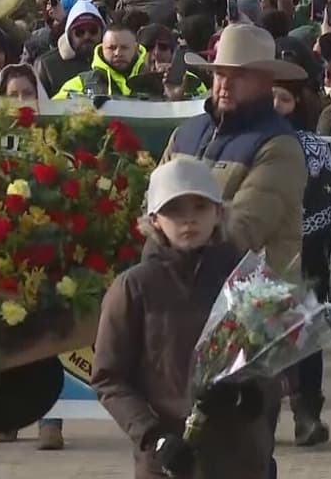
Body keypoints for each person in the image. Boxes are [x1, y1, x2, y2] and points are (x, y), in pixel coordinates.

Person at [93, 157, 276, 479]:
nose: (188, 220)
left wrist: (250, 394)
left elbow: (276, 357)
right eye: (175, 210)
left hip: (240, 456)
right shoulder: (135, 287)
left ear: (219, 213)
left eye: (200, 208)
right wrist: (153, 436)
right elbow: (109, 378)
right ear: (154, 220)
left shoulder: (246, 279)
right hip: (169, 461)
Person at [164, 23, 308, 274]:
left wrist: (167, 243)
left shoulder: (280, 145)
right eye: (219, 73)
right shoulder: (186, 133)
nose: (225, 85)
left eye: (239, 76)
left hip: (256, 304)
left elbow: (242, 230)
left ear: (265, 82)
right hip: (181, 288)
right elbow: (152, 202)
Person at [271, 57, 331, 447]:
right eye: (267, 98)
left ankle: (307, 413)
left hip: (306, 256)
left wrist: (311, 242)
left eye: (282, 100)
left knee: (306, 334)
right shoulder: (243, 142)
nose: (274, 107)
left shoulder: (310, 147)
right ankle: (257, 416)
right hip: (254, 256)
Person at [53, 24, 147, 98]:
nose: (118, 53)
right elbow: (53, 113)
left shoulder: (155, 81)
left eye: (124, 48)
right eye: (111, 48)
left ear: (136, 48)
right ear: (102, 49)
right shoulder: (81, 84)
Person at [35, 0, 105, 96]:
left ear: (102, 33)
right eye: (79, 32)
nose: (87, 36)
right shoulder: (47, 66)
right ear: (69, 35)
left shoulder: (114, 61)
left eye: (93, 31)